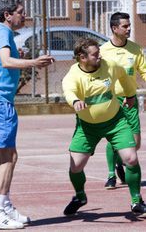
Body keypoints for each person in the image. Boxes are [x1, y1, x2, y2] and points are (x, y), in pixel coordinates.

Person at [0, 0, 54, 230]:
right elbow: (5, 62)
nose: (24, 15)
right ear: (7, 15)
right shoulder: (2, 32)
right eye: (20, 11)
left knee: (11, 157)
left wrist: (19, 58)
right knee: (8, 158)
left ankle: (5, 204)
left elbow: (1, 60)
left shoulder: (0, 31)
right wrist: (33, 62)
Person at [62, 37, 146, 216]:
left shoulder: (109, 65)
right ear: (82, 57)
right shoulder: (74, 75)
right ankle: (80, 196)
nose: (99, 57)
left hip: (116, 122)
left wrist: (130, 94)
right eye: (95, 55)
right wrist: (76, 101)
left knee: (131, 159)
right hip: (87, 127)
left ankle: (136, 200)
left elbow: (124, 75)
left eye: (99, 53)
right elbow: (69, 91)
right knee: (76, 166)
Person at [100, 12, 146, 189]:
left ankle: (120, 163)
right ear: (114, 28)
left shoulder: (135, 49)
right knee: (114, 139)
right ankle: (111, 175)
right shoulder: (103, 51)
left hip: (130, 99)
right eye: (125, 26)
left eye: (129, 26)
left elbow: (143, 70)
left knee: (135, 143)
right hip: (111, 100)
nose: (129, 29)